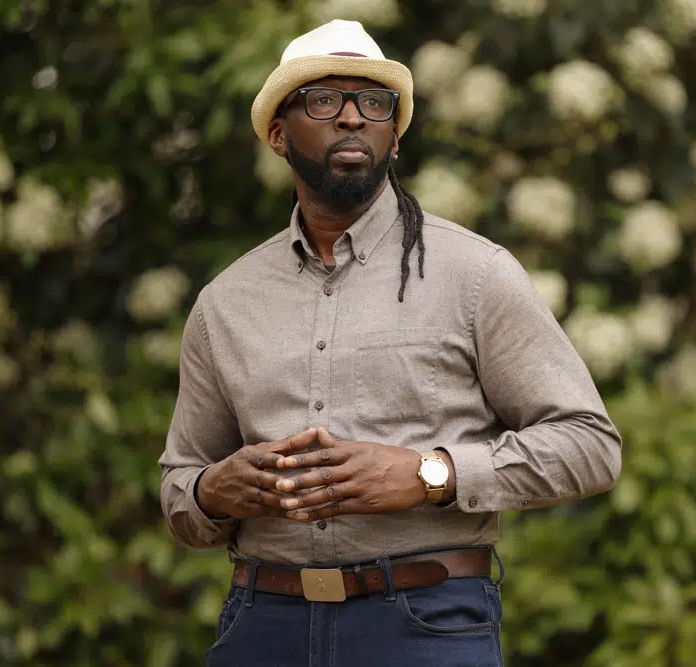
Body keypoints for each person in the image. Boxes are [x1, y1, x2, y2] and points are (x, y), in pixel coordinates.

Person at [158, 18, 623, 667]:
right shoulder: (226, 303)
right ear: (276, 133)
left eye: (374, 104)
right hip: (262, 625)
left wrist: (428, 473)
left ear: (394, 138)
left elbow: (589, 444)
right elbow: (180, 485)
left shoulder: (475, 274)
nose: (353, 117)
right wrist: (215, 490)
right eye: (324, 100)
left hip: (425, 626)